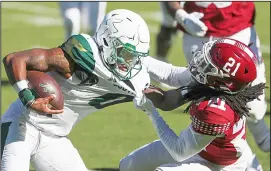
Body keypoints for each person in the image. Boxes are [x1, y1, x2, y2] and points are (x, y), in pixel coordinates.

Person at [1, 9, 153, 171]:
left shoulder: (133, 78)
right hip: (22, 124)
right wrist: (28, 98)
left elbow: (162, 98)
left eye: (133, 57)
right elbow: (14, 59)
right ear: (108, 42)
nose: (129, 62)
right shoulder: (74, 58)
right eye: (124, 53)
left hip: (54, 138)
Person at [120, 38, 266, 171]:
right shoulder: (213, 83)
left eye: (210, 66)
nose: (202, 63)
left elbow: (179, 151)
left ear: (223, 82)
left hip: (220, 165)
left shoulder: (217, 111)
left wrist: (151, 111)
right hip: (201, 148)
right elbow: (171, 76)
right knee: (128, 166)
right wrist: (137, 58)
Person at [156, 1, 270, 153]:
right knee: (212, 104)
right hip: (198, 32)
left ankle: (262, 135)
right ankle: (224, 156)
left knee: (254, 107)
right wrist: (180, 15)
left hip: (238, 27)